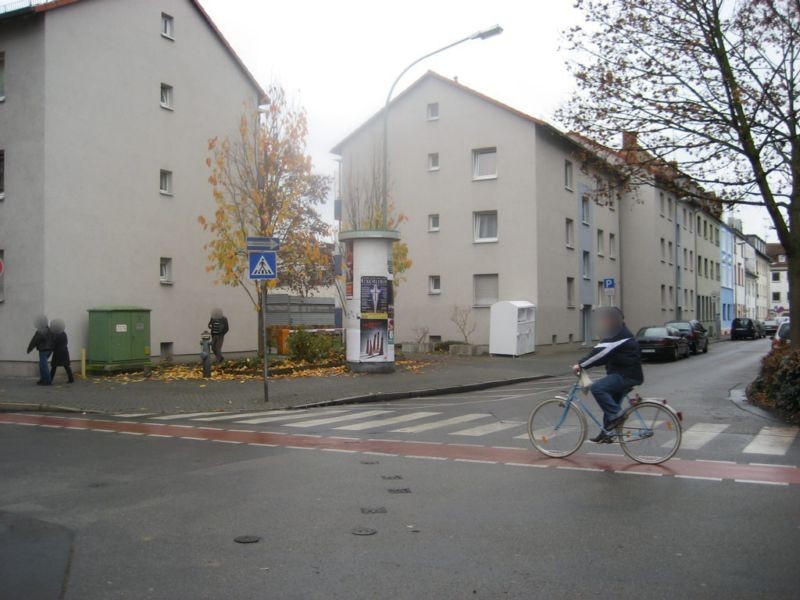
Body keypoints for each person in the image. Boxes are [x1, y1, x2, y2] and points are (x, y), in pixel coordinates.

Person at [572, 307, 644, 443]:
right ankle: (607, 433)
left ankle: (616, 418)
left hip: (625, 375)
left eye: (606, 319)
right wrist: (586, 364)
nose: (604, 322)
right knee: (610, 402)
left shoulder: (618, 335)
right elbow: (604, 356)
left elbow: (599, 352)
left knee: (598, 388)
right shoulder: (618, 333)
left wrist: (580, 365)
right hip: (627, 374)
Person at [26, 315, 56, 386]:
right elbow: (54, 339)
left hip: (43, 350)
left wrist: (29, 349)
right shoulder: (51, 330)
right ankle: (43, 379)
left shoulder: (40, 331)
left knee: (43, 365)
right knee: (42, 365)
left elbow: (34, 341)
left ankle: (47, 381)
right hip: (49, 350)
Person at [49, 318, 75, 384]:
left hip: (58, 352)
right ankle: (71, 379)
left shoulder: (56, 334)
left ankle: (50, 379)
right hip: (64, 351)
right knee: (66, 366)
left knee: (54, 366)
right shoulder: (63, 333)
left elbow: (54, 344)